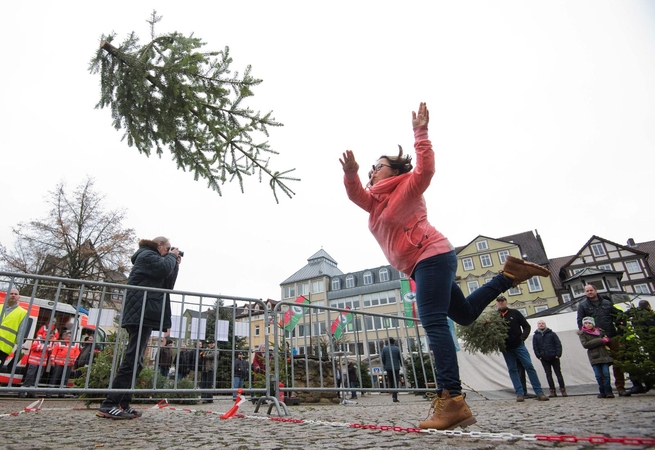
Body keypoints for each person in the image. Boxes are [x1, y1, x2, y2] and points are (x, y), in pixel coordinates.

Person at [339, 102, 551, 430]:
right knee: (464, 314)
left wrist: (420, 132)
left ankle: (451, 399)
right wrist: (351, 172)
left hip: (432, 257)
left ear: (394, 172)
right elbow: (356, 196)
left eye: (378, 166)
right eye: (371, 167)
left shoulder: (407, 187)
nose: (372, 170)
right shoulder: (375, 203)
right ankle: (509, 275)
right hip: (424, 264)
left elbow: (425, 170)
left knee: (434, 322)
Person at [97, 237, 180, 419]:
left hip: (146, 313)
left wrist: (175, 263)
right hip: (139, 313)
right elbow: (163, 267)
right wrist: (171, 258)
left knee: (137, 361)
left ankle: (123, 403)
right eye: (168, 249)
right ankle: (109, 403)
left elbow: (167, 283)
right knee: (131, 359)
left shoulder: (156, 259)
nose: (169, 252)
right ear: (159, 246)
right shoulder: (146, 255)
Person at [576, 285, 630, 396]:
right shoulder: (583, 306)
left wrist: (623, 322)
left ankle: (620, 388)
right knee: (601, 364)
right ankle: (606, 390)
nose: (589, 292)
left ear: (595, 291)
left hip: (611, 335)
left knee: (617, 362)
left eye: (591, 290)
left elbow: (616, 315)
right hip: (597, 339)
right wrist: (585, 335)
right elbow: (580, 321)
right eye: (587, 291)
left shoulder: (607, 303)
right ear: (585, 293)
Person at [496, 296, 549, 402]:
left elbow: (526, 326)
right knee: (512, 369)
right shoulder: (495, 317)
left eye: (502, 301)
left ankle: (539, 392)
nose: (501, 303)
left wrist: (522, 338)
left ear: (506, 302)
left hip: (519, 346)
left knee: (529, 366)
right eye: (499, 302)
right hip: (506, 348)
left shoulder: (515, 313)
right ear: (496, 303)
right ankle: (519, 393)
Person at [579, 316, 614, 398]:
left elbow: (607, 340)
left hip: (604, 355)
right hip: (594, 356)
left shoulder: (601, 332)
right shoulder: (583, 334)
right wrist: (600, 341)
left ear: (593, 324)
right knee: (598, 375)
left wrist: (607, 340)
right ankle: (602, 391)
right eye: (586, 323)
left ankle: (609, 391)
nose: (588, 325)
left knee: (606, 374)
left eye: (589, 323)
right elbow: (586, 344)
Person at [532, 319, 567, 397]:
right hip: (544, 358)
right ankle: (552, 391)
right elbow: (535, 347)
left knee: (558, 373)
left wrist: (558, 354)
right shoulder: (536, 336)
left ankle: (562, 390)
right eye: (539, 323)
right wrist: (539, 356)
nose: (541, 325)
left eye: (542, 323)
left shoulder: (552, 334)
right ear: (537, 325)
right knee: (548, 374)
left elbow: (558, 344)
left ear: (545, 324)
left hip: (554, 356)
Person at [626, 300, 654, 394]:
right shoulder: (648, 315)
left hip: (642, 341)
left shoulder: (635, 316)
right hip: (651, 341)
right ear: (648, 306)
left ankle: (648, 383)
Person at [21, 326, 57, 397]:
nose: (51, 338)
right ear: (46, 334)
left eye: (52, 336)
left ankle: (31, 393)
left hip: (42, 363)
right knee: (29, 376)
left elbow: (50, 351)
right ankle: (22, 392)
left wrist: (50, 350)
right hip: (34, 361)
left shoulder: (50, 342)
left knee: (37, 378)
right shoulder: (38, 339)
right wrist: (44, 348)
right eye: (50, 336)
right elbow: (33, 347)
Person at [0, 288, 28, 369]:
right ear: (7, 296)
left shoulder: (23, 313)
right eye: (11, 293)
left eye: (15, 294)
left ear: (19, 297)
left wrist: (20, 347)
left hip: (3, 349)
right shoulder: (0, 307)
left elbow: (21, 331)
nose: (13, 295)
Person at [49, 330, 80, 396]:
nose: (69, 337)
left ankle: (62, 393)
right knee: (54, 378)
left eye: (71, 336)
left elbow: (77, 355)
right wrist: (52, 361)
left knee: (65, 379)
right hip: (59, 364)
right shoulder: (60, 343)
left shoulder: (75, 344)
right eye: (68, 336)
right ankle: (49, 392)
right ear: (66, 336)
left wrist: (74, 364)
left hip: (69, 364)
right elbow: (53, 353)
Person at [381, 337, 403, 403]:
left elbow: (383, 358)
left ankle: (392, 391)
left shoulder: (384, 349)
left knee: (390, 380)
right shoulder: (397, 348)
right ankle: (395, 396)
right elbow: (400, 357)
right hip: (396, 367)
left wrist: (385, 364)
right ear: (393, 342)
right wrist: (401, 364)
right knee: (395, 381)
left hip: (388, 367)